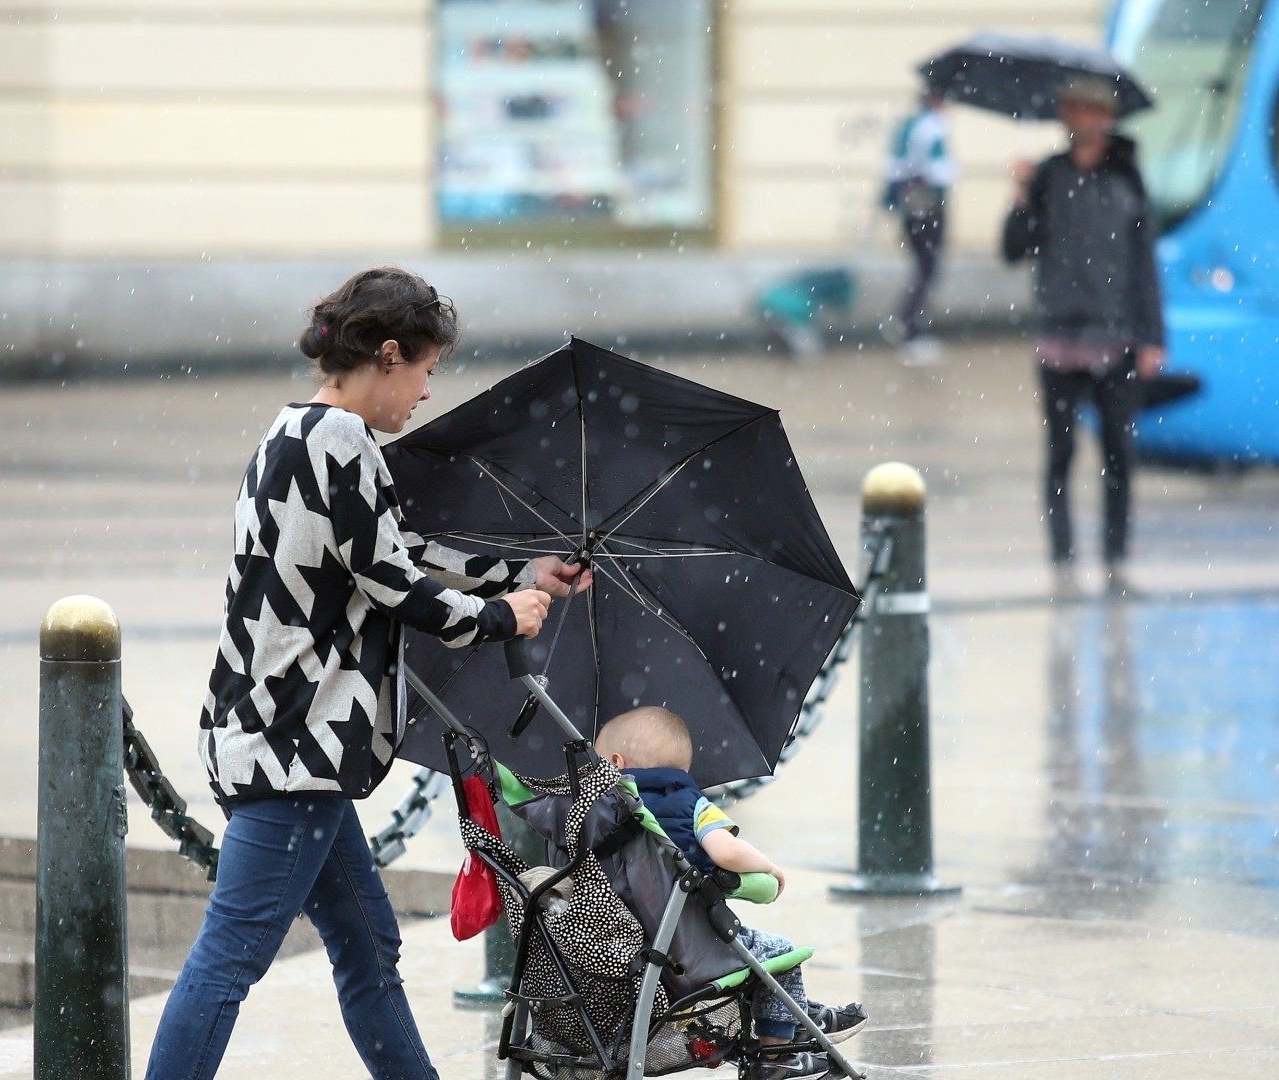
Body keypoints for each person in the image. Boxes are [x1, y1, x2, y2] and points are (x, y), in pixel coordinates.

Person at [147, 267, 591, 1080]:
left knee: (368, 948)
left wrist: (517, 573)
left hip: (267, 731)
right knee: (231, 959)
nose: (425, 393)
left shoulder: (292, 433)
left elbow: (392, 551)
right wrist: (506, 617)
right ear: (389, 355)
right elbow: (398, 587)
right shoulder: (343, 441)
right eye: (425, 371)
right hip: (297, 749)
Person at [595, 706, 869, 1080]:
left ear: (615, 762)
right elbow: (725, 852)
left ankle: (799, 1015)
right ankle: (778, 1054)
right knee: (780, 954)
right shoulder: (688, 804)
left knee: (760, 961)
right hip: (689, 951)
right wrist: (768, 868)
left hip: (619, 949)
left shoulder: (591, 816)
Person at [1002, 75, 1165, 596]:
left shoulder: (1128, 179)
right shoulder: (1047, 176)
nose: (1079, 120)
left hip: (1116, 338)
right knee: (1060, 453)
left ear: (1106, 118)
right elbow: (1011, 248)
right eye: (1071, 110)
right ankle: (1063, 563)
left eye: (1088, 111)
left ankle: (1116, 562)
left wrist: (1151, 335)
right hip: (1059, 338)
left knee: (1119, 454)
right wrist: (1021, 197)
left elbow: (1144, 265)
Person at [882, 88, 956, 364]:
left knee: (924, 267)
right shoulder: (929, 127)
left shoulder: (910, 126)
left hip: (915, 207)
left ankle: (907, 324)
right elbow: (928, 167)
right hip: (926, 207)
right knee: (928, 268)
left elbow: (893, 167)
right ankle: (908, 327)